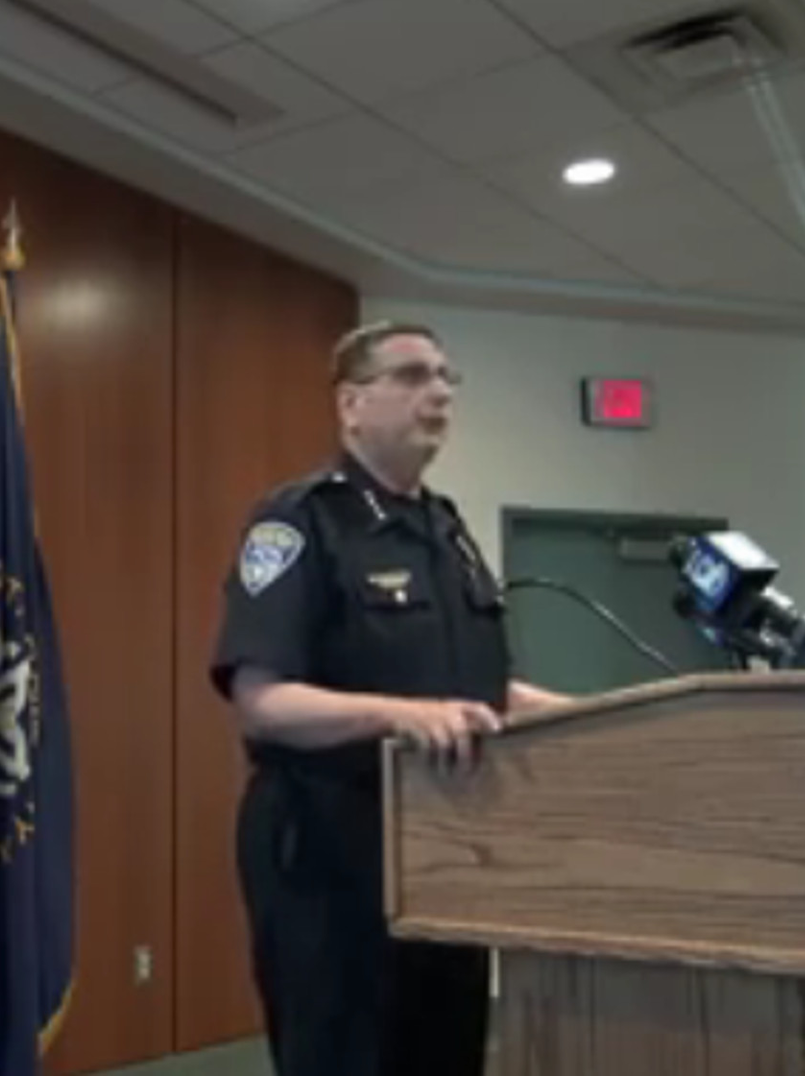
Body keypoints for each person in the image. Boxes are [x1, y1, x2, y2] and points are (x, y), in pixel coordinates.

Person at [210, 320, 569, 1075]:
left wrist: (576, 715)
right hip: (332, 848)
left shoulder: (444, 530)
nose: (437, 392)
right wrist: (401, 717)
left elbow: (472, 689)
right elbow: (263, 700)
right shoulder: (299, 521)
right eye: (411, 377)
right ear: (352, 404)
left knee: (446, 1052)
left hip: (450, 847)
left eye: (444, 376)